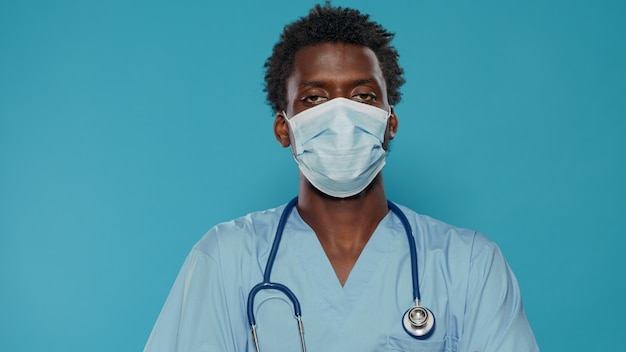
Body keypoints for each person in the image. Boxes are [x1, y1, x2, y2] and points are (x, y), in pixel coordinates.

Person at [144, 4, 538, 352]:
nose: (341, 115)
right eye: (314, 98)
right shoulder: (228, 259)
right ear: (284, 129)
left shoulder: (469, 265)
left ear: (390, 122)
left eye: (363, 96)